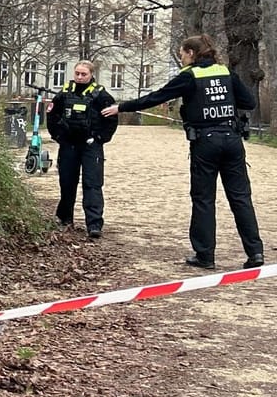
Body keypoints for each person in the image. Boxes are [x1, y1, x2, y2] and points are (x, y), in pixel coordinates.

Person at [103, 33, 264, 269]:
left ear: (191, 53)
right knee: (241, 198)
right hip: (232, 139)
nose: (182, 59)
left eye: (182, 55)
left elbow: (157, 96)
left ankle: (205, 255)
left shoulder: (189, 76)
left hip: (205, 143)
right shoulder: (225, 73)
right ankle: (255, 253)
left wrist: (122, 107)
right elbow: (249, 102)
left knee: (203, 200)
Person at [45, 60, 118, 237]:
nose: (79, 77)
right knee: (67, 182)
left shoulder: (102, 96)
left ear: (91, 75)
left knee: (92, 184)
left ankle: (94, 225)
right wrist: (58, 136)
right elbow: (52, 114)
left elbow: (111, 120)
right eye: (77, 73)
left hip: (91, 146)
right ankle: (64, 218)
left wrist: (100, 138)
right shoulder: (64, 93)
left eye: (83, 74)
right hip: (68, 144)